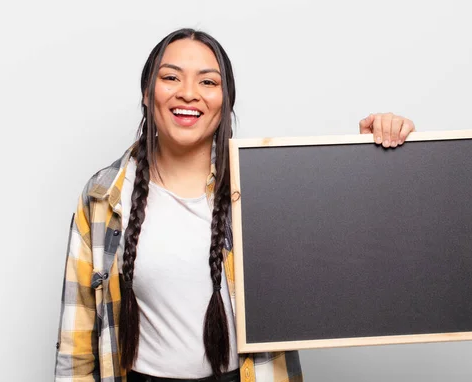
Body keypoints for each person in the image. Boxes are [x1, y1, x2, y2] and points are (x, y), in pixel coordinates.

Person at [54, 28, 416, 382]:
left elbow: (349, 254)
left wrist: (374, 156)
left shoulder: (263, 189)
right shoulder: (104, 194)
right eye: (171, 78)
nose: (188, 93)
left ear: (226, 100)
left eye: (208, 82)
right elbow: (77, 339)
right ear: (147, 93)